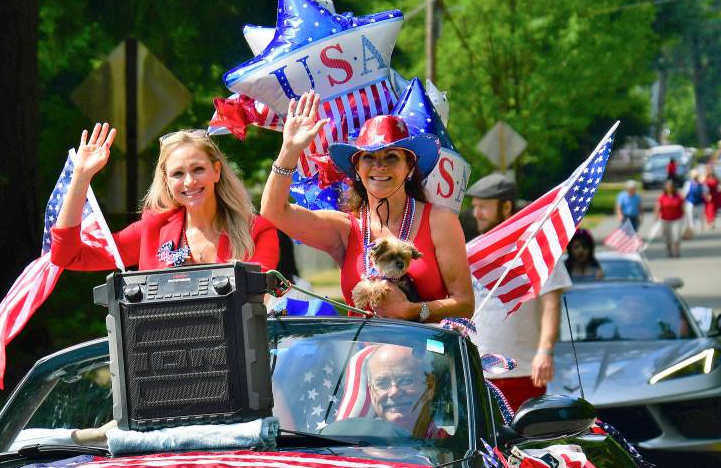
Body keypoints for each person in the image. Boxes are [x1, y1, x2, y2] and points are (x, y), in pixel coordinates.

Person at [260, 91, 473, 321]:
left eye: (391, 157)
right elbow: (273, 213)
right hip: (364, 351)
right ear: (357, 170)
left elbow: (464, 305)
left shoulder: (440, 221)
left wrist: (412, 311)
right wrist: (289, 151)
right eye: (369, 158)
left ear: (409, 167)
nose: (379, 166)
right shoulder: (346, 228)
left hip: (426, 350)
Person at [51, 123, 279, 272]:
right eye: (178, 174)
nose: (189, 182)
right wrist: (81, 177)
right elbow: (67, 256)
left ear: (216, 171)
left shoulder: (257, 231)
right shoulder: (152, 230)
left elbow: (258, 293)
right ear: (167, 181)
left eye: (198, 169)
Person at [466, 173, 572, 412]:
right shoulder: (470, 251)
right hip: (475, 371)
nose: (476, 214)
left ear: (506, 206)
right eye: (475, 207)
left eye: (483, 207)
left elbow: (551, 305)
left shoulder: (538, 249)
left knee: (521, 441)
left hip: (522, 371)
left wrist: (545, 351)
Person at [363, 344, 447, 438]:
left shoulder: (452, 448)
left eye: (406, 381)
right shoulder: (354, 443)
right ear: (371, 391)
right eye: (382, 384)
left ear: (429, 387)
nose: (394, 392)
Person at [655, 179, 685, 258]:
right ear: (665, 187)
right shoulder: (662, 197)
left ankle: (677, 252)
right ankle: (669, 251)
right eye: (668, 186)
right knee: (667, 238)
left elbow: (683, 206)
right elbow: (658, 207)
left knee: (676, 236)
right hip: (665, 219)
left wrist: (685, 217)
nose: (670, 187)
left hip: (677, 219)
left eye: (671, 186)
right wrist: (656, 217)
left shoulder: (678, 196)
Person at [682, 169, 707, 234]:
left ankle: (700, 230)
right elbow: (684, 194)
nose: (695, 178)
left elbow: (706, 192)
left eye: (696, 176)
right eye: (694, 176)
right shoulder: (688, 184)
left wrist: (707, 195)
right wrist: (682, 202)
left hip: (700, 203)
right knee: (690, 218)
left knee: (700, 217)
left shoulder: (701, 184)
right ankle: (692, 230)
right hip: (690, 203)